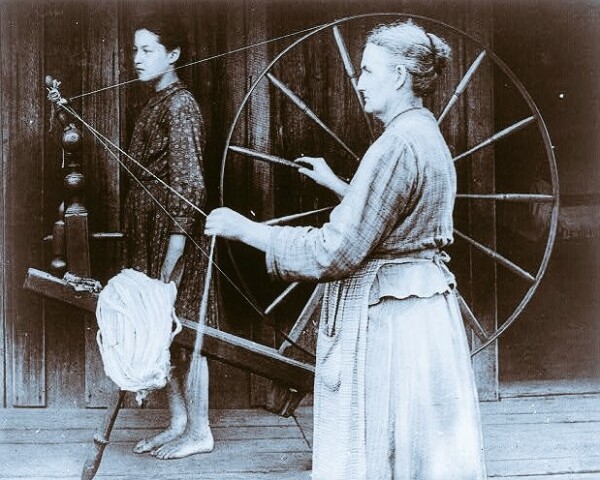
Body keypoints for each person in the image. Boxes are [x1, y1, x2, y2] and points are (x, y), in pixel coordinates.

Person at [205, 20, 487, 480]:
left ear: (398, 76)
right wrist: (340, 185)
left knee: (378, 451)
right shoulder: (424, 135)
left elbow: (336, 251)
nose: (359, 83)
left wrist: (247, 231)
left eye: (368, 72)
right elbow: (400, 218)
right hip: (423, 315)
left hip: (390, 322)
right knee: (418, 455)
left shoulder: (394, 144)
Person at [123, 13, 217, 460]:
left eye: (147, 50)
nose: (136, 59)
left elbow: (191, 183)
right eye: (134, 50)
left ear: (173, 54)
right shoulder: (157, 102)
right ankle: (178, 422)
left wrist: (176, 245)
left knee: (187, 332)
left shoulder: (180, 106)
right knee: (166, 329)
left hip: (176, 235)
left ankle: (200, 430)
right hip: (153, 232)